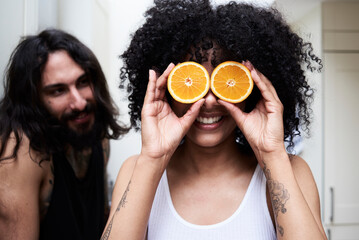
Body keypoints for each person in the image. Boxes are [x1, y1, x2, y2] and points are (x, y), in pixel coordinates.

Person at [102, 0, 327, 239]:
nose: (209, 101)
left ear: (250, 89)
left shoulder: (291, 170)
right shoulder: (136, 170)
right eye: (192, 80)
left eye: (226, 81)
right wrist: (153, 158)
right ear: (168, 88)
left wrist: (272, 154)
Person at [0, 29, 129, 240]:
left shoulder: (92, 132)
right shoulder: (21, 150)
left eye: (83, 82)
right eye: (58, 91)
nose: (79, 103)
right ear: (33, 100)